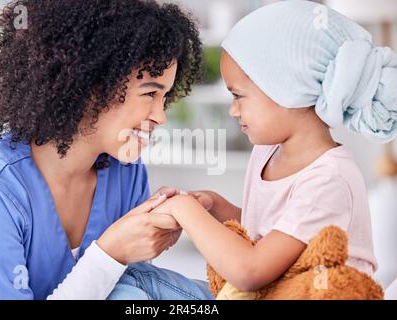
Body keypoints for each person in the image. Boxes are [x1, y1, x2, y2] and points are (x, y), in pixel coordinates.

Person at [110, 0, 397, 298]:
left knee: (142, 288)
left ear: (287, 90)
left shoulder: (329, 179)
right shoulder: (268, 152)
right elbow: (273, 236)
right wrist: (216, 206)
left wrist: (186, 211)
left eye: (238, 96)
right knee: (135, 281)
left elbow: (251, 272)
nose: (233, 110)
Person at [0, 0, 210, 300]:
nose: (160, 116)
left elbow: (125, 293)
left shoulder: (127, 174)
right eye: (150, 93)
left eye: (165, 98)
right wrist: (110, 253)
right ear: (90, 83)